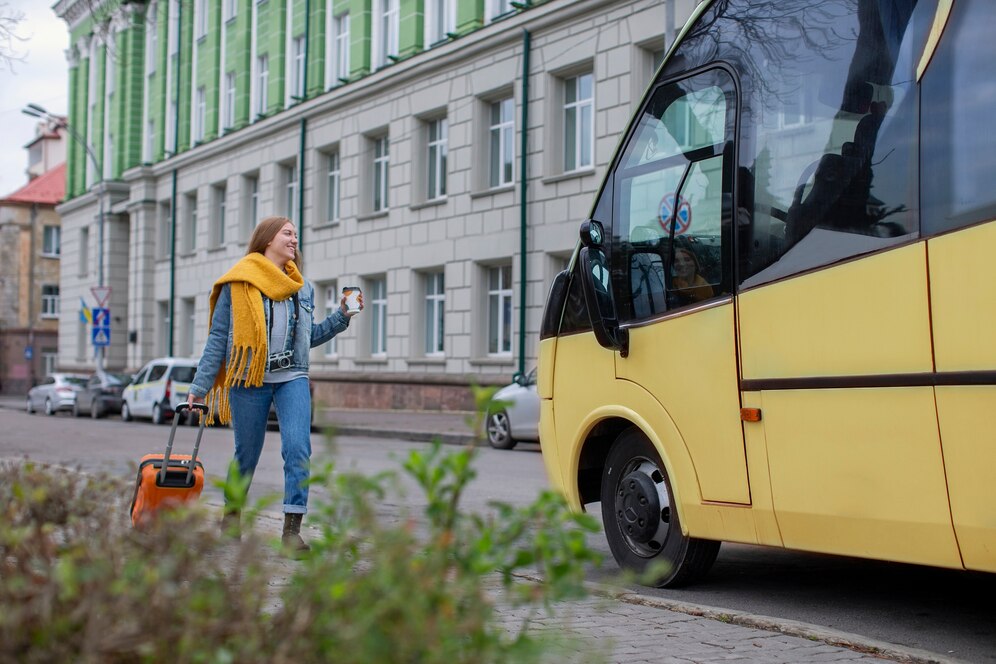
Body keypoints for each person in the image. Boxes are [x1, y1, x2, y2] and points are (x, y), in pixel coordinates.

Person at [186, 216, 361, 553]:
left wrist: (341, 317)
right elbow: (219, 338)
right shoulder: (239, 282)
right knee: (246, 454)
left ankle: (291, 531)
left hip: (292, 376)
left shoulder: (302, 287)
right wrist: (199, 386)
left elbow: (308, 338)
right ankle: (231, 519)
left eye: (296, 234)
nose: (294, 240)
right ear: (267, 239)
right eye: (287, 233)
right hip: (249, 378)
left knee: (298, 450)